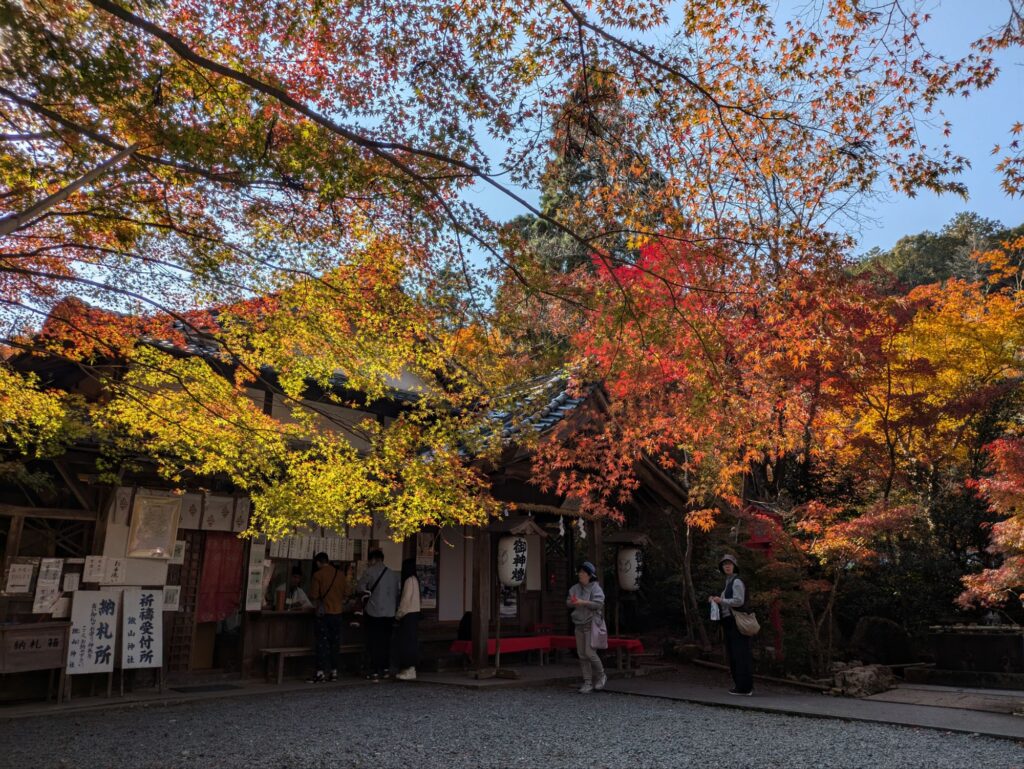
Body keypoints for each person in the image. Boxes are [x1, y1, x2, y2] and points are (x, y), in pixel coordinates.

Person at [711, 553, 754, 696]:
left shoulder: (736, 581)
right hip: (730, 622)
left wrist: (721, 601)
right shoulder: (728, 582)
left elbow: (738, 601)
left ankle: (744, 687)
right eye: (724, 564)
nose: (727, 566)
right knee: (735, 654)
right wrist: (716, 600)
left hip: (736, 622)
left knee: (740, 654)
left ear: (735, 566)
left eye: (729, 564)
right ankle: (741, 685)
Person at [356, 549, 400, 680]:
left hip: (374, 612)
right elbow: (396, 593)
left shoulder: (369, 572)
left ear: (373, 559)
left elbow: (360, 588)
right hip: (390, 612)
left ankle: (375, 669)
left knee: (374, 641)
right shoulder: (393, 574)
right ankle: (386, 668)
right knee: (386, 641)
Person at [308, 552, 349, 683]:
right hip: (337, 612)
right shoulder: (340, 575)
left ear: (318, 562)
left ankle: (320, 672)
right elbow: (347, 593)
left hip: (324, 614)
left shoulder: (318, 575)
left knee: (322, 642)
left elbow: (314, 595)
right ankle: (334, 671)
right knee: (335, 643)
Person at [566, 561, 606, 694]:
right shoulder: (574, 588)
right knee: (582, 655)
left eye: (583, 572)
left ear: (590, 575)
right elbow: (568, 602)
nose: (580, 574)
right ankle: (587, 682)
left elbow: (599, 603)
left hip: (590, 623)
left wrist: (584, 602)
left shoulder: (595, 588)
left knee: (589, 652)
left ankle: (601, 675)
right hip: (578, 624)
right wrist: (573, 602)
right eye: (580, 572)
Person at [394, 558, 421, 681]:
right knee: (411, 641)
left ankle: (409, 669)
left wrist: (398, 614)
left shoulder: (408, 581)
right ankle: (410, 669)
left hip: (407, 614)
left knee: (406, 643)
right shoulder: (415, 580)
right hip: (415, 613)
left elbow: (405, 600)